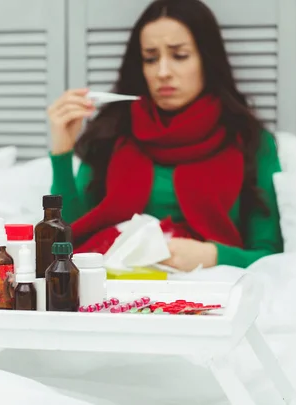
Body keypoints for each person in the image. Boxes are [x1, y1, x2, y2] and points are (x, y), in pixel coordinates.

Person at [46, 0, 283, 271]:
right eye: (150, 58)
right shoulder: (111, 133)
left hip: (208, 293)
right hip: (115, 294)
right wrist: (62, 151)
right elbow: (67, 242)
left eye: (179, 56)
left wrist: (213, 256)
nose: (163, 72)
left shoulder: (250, 140)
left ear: (207, 59)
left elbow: (271, 256)